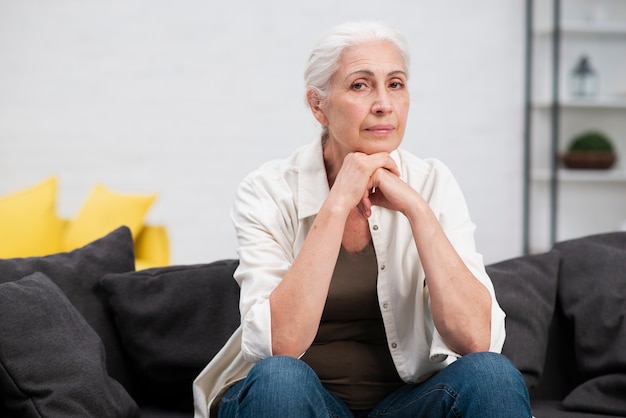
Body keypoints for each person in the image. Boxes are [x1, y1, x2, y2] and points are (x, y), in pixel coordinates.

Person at [193, 21, 532, 418]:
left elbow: (479, 340)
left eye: (396, 84)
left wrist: (417, 211)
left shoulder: (432, 182)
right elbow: (276, 346)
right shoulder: (267, 190)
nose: (383, 104)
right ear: (318, 105)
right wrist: (336, 205)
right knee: (280, 378)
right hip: (299, 401)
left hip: (405, 405)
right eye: (360, 85)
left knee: (492, 375)